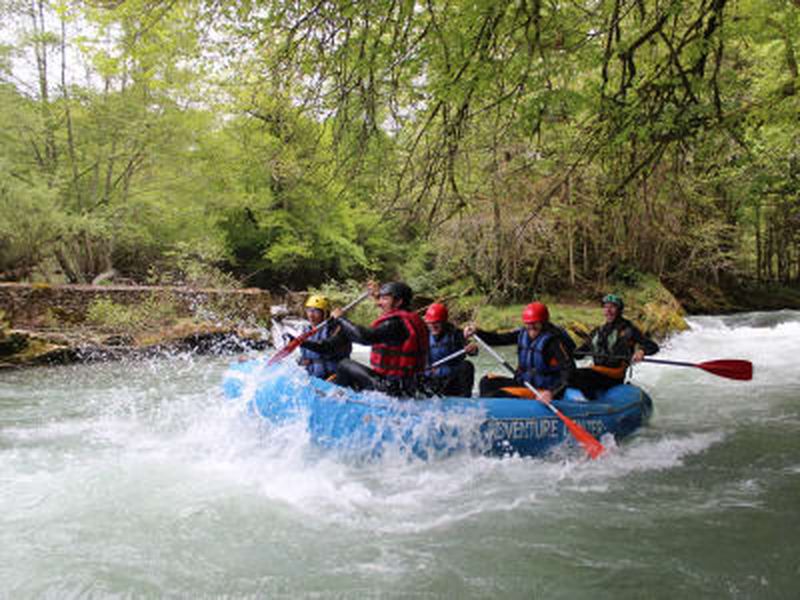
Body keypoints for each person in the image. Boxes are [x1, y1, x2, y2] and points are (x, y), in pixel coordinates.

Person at [332, 281, 430, 398]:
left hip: (390, 387)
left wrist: (341, 319)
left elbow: (364, 337)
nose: (379, 303)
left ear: (398, 302)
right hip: (411, 385)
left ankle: (337, 399)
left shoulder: (395, 324)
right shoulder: (413, 319)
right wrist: (377, 295)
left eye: (384, 299)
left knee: (344, 364)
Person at [464, 302, 576, 403]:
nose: (531, 328)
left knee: (499, 395)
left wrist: (552, 392)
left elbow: (569, 371)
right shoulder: (522, 334)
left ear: (544, 323)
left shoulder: (553, 342)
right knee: (486, 382)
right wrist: (478, 332)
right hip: (524, 384)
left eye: (535, 324)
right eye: (528, 324)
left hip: (540, 391)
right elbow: (499, 339)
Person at [569, 294, 659, 398]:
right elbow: (579, 354)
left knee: (577, 376)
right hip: (597, 372)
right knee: (569, 374)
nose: (608, 311)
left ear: (619, 310)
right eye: (606, 307)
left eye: (612, 307)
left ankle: (592, 403)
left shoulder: (628, 330)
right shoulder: (597, 331)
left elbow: (653, 346)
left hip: (615, 375)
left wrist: (641, 351)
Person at [421, 302, 477, 397]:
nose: (433, 326)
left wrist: (472, 349)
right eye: (430, 323)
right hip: (431, 380)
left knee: (467, 365)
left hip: (451, 379)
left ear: (444, 322)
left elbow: (473, 352)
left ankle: (464, 399)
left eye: (436, 323)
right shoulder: (423, 335)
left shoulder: (455, 334)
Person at [294, 294, 352, 380]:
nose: (311, 315)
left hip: (333, 377)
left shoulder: (335, 328)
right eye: (309, 310)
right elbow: (304, 357)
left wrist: (338, 320)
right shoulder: (306, 330)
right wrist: (300, 361)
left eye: (316, 311)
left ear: (325, 313)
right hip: (313, 377)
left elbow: (328, 348)